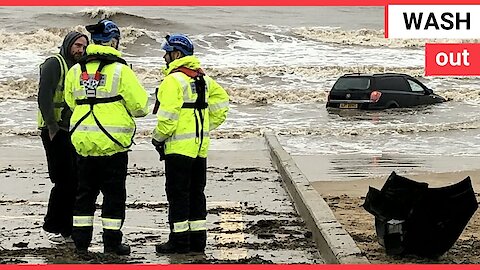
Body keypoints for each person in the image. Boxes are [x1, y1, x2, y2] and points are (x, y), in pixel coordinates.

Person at [64, 19, 149, 255]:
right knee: (113, 196)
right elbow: (141, 107)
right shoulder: (121, 70)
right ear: (114, 41)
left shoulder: (75, 70)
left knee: (84, 195)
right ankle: (112, 243)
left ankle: (81, 243)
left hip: (83, 143)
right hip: (113, 145)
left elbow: (71, 102)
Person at [152, 33, 229, 254]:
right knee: (197, 194)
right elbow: (222, 105)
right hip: (199, 147)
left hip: (177, 149)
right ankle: (197, 241)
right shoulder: (204, 79)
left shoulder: (172, 81)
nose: (164, 57)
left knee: (178, 195)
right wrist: (204, 127)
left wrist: (157, 138)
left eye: (167, 53)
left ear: (176, 54)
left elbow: (167, 119)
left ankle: (178, 242)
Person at [37, 31, 88, 245]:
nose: (80, 50)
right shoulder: (54, 63)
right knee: (63, 180)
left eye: (84, 47)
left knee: (74, 180)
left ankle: (66, 228)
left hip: (73, 130)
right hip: (54, 130)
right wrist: (52, 127)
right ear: (68, 44)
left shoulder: (79, 68)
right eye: (77, 45)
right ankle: (53, 226)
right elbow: (43, 96)